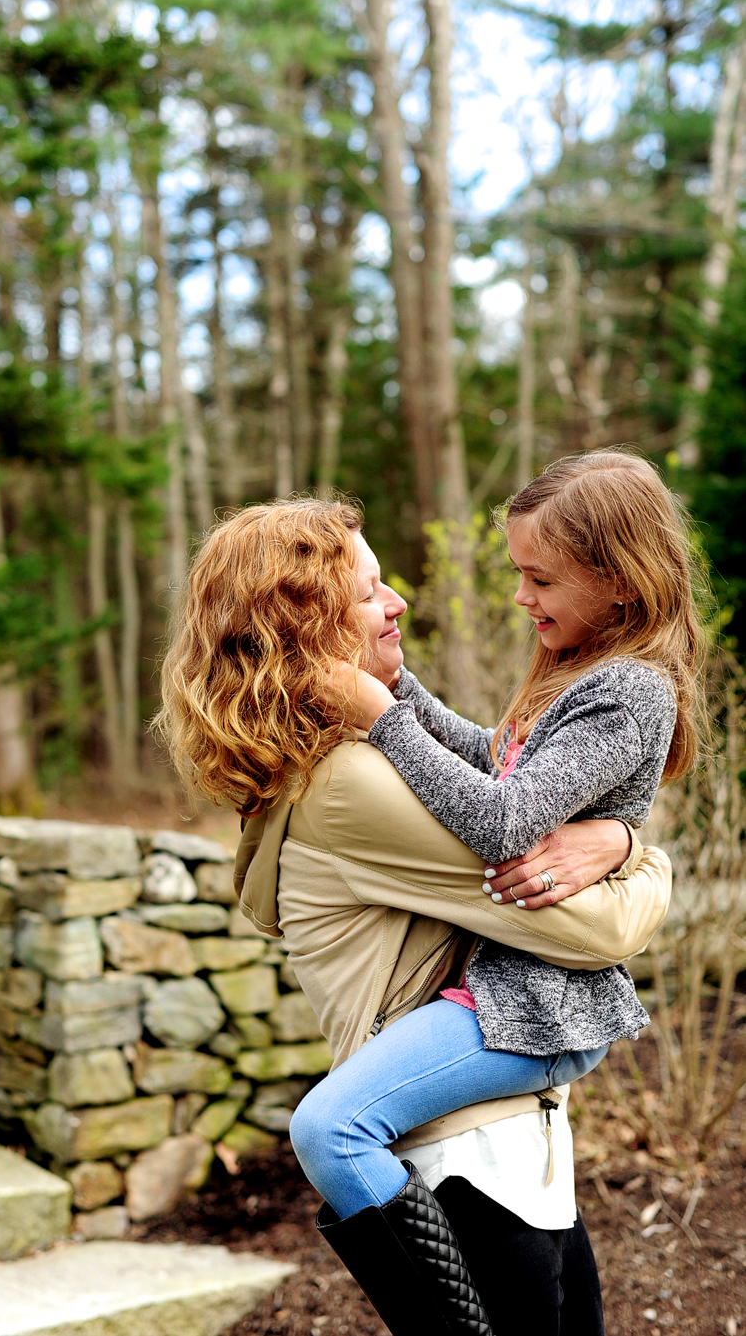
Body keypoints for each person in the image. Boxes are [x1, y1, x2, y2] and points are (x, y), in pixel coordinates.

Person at [157, 495, 674, 1335]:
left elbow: (485, 777)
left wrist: (611, 832)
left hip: (505, 1130)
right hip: (467, 1159)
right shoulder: (353, 781)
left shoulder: (338, 760)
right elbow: (595, 929)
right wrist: (641, 852)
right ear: (307, 625)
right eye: (368, 591)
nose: (398, 602)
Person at [286, 452, 704, 1266]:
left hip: (542, 1002)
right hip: (509, 988)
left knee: (331, 1127)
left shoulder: (629, 689)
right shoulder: (579, 667)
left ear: (619, 579)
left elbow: (505, 818)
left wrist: (382, 719)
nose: (522, 597)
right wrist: (402, 689)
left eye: (540, 579)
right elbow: (494, 757)